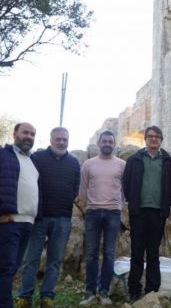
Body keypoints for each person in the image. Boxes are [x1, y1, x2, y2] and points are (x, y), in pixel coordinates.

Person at [16, 127, 80, 308]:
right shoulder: (37, 158)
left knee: (54, 261)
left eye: (64, 139)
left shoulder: (74, 163)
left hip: (63, 219)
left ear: (68, 141)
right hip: (38, 219)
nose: (61, 142)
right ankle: (24, 297)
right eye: (58, 139)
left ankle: (47, 297)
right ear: (51, 140)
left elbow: (75, 188)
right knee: (30, 260)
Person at [0, 122, 39, 308]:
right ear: (14, 134)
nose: (29, 136)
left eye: (32, 134)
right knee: (5, 269)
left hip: (26, 222)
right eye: (25, 132)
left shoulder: (32, 160)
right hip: (6, 221)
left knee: (9, 270)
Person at [122, 126, 171, 302]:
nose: (153, 139)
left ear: (161, 140)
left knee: (153, 253)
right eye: (150, 136)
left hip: (158, 213)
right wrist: (133, 204)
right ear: (145, 139)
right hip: (138, 212)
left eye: (157, 137)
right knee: (137, 252)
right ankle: (134, 289)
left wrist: (166, 205)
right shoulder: (134, 159)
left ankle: (152, 289)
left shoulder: (168, 161)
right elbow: (126, 184)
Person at [78, 130, 126, 306]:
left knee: (109, 253)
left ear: (114, 144)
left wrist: (117, 204)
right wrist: (91, 204)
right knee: (91, 254)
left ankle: (104, 291)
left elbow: (124, 190)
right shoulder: (88, 164)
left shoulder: (122, 165)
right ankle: (90, 292)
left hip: (113, 212)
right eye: (104, 141)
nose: (107, 144)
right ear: (99, 143)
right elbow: (82, 190)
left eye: (110, 141)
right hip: (93, 213)